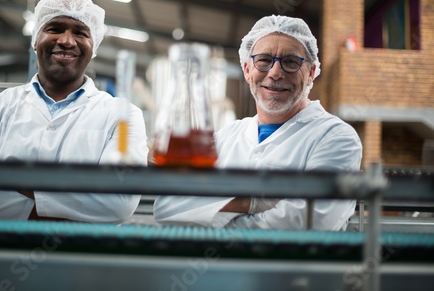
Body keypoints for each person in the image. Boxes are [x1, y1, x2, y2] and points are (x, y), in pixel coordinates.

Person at [0, 0, 148, 223]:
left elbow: (119, 201)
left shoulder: (125, 116)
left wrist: (4, 178)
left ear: (93, 45)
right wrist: (69, 212)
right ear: (35, 39)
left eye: (80, 32)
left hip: (83, 258)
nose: (67, 41)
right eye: (55, 29)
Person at [153, 15, 362, 231]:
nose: (275, 73)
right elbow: (166, 207)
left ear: (310, 73)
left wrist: (215, 218)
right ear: (246, 69)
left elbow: (314, 222)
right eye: (264, 60)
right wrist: (251, 202)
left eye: (291, 62)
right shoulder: (225, 137)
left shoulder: (336, 137)